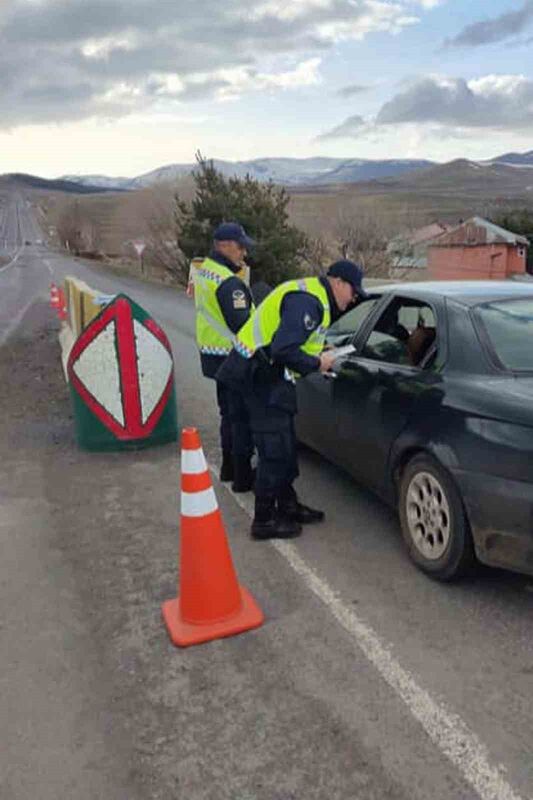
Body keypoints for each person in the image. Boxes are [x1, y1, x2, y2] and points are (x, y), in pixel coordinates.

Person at [217, 259, 367, 539]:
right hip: (258, 376)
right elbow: (284, 349)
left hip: (265, 374)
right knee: (275, 450)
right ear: (338, 282)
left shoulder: (314, 296)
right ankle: (263, 521)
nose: (354, 298)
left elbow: (292, 337)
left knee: (285, 446)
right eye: (353, 291)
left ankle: (287, 506)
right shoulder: (310, 302)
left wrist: (322, 347)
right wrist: (317, 363)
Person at [193, 221, 255, 491]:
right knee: (240, 418)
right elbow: (244, 325)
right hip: (233, 357)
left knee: (228, 415)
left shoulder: (206, 272)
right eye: (241, 247)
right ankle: (242, 476)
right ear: (225, 246)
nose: (244, 253)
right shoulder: (229, 283)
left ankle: (229, 469)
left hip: (213, 355)